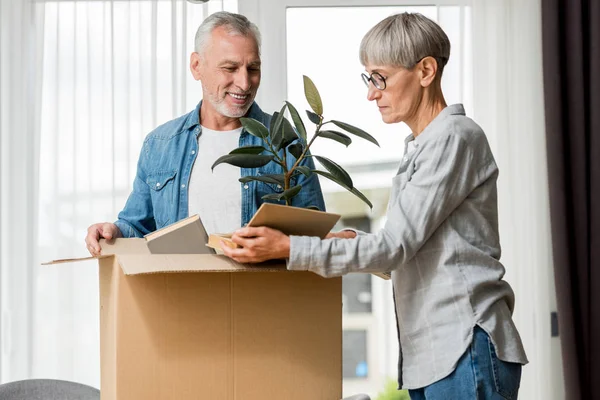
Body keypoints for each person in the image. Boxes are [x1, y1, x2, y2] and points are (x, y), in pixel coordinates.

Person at [221, 12, 528, 399]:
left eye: (380, 78)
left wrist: (288, 248)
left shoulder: (453, 137)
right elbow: (408, 247)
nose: (371, 93)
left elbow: (396, 247)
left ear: (426, 70)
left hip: (464, 344)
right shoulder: (423, 146)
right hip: (437, 355)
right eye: (368, 78)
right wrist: (352, 239)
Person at [85, 11, 325, 256]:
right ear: (197, 66)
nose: (244, 83)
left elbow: (314, 239)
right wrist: (113, 231)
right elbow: (138, 226)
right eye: (230, 68)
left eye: (253, 68)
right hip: (182, 291)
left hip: (259, 293)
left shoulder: (287, 142)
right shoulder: (160, 145)